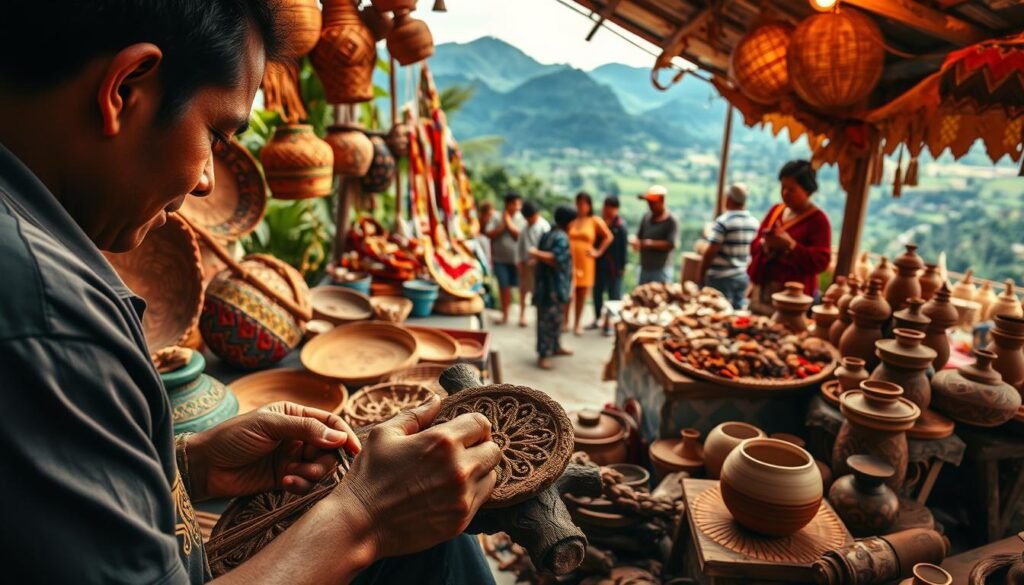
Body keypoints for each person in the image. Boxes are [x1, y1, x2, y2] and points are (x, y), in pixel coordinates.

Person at [0, 3, 500, 584]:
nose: (207, 179)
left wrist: (188, 465)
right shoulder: (50, 315)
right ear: (124, 89)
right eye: (215, 133)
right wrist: (365, 516)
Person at [747, 160, 832, 314]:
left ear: (807, 191)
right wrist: (765, 245)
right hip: (764, 288)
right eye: (783, 187)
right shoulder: (776, 211)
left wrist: (791, 246)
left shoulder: (818, 221)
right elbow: (754, 244)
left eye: (791, 189)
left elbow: (821, 262)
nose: (785, 193)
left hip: (794, 299)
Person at [529, 205, 577, 370]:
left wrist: (536, 255)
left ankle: (556, 346)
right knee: (546, 322)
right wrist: (536, 254)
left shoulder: (548, 234)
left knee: (556, 319)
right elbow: (555, 259)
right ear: (568, 222)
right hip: (551, 287)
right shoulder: (561, 238)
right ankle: (544, 355)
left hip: (551, 286)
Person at [698, 183, 759, 309]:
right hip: (742, 276)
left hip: (721, 278)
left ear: (729, 199)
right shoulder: (754, 223)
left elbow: (711, 250)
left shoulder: (724, 221)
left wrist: (701, 274)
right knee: (737, 313)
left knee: (718, 313)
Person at [567, 192, 613, 335]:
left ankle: (577, 324)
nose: (580, 206)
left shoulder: (594, 220)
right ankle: (565, 321)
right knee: (568, 293)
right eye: (578, 203)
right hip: (570, 260)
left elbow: (609, 236)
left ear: (589, 205)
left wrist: (598, 252)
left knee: (581, 293)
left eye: (583, 203)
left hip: (586, 262)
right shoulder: (572, 221)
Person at [485, 192, 525, 325]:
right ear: (507, 204)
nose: (517, 207)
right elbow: (488, 233)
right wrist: (503, 226)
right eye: (514, 204)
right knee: (504, 287)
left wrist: (508, 223)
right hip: (500, 260)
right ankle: (505, 315)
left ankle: (522, 316)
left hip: (517, 260)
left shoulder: (522, 218)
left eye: (519, 204)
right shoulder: (496, 217)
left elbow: (519, 235)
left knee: (521, 289)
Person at [593, 195, 628, 335]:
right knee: (597, 293)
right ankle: (598, 319)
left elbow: (623, 249)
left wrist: (622, 267)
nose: (606, 210)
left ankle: (611, 324)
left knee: (614, 296)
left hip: (614, 267)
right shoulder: (600, 223)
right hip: (599, 265)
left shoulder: (620, 227)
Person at [634, 185, 679, 284]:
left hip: (661, 269)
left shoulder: (671, 221)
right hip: (644, 268)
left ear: (662, 201)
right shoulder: (646, 217)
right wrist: (636, 243)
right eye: (649, 203)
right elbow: (639, 237)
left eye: (653, 203)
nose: (650, 206)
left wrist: (650, 244)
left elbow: (671, 244)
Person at [516, 200, 550, 327]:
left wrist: (538, 258)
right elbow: (519, 245)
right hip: (526, 263)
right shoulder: (524, 227)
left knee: (539, 291)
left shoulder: (544, 227)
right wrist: (519, 261)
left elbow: (547, 248)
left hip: (539, 264)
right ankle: (522, 315)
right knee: (523, 289)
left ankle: (539, 317)